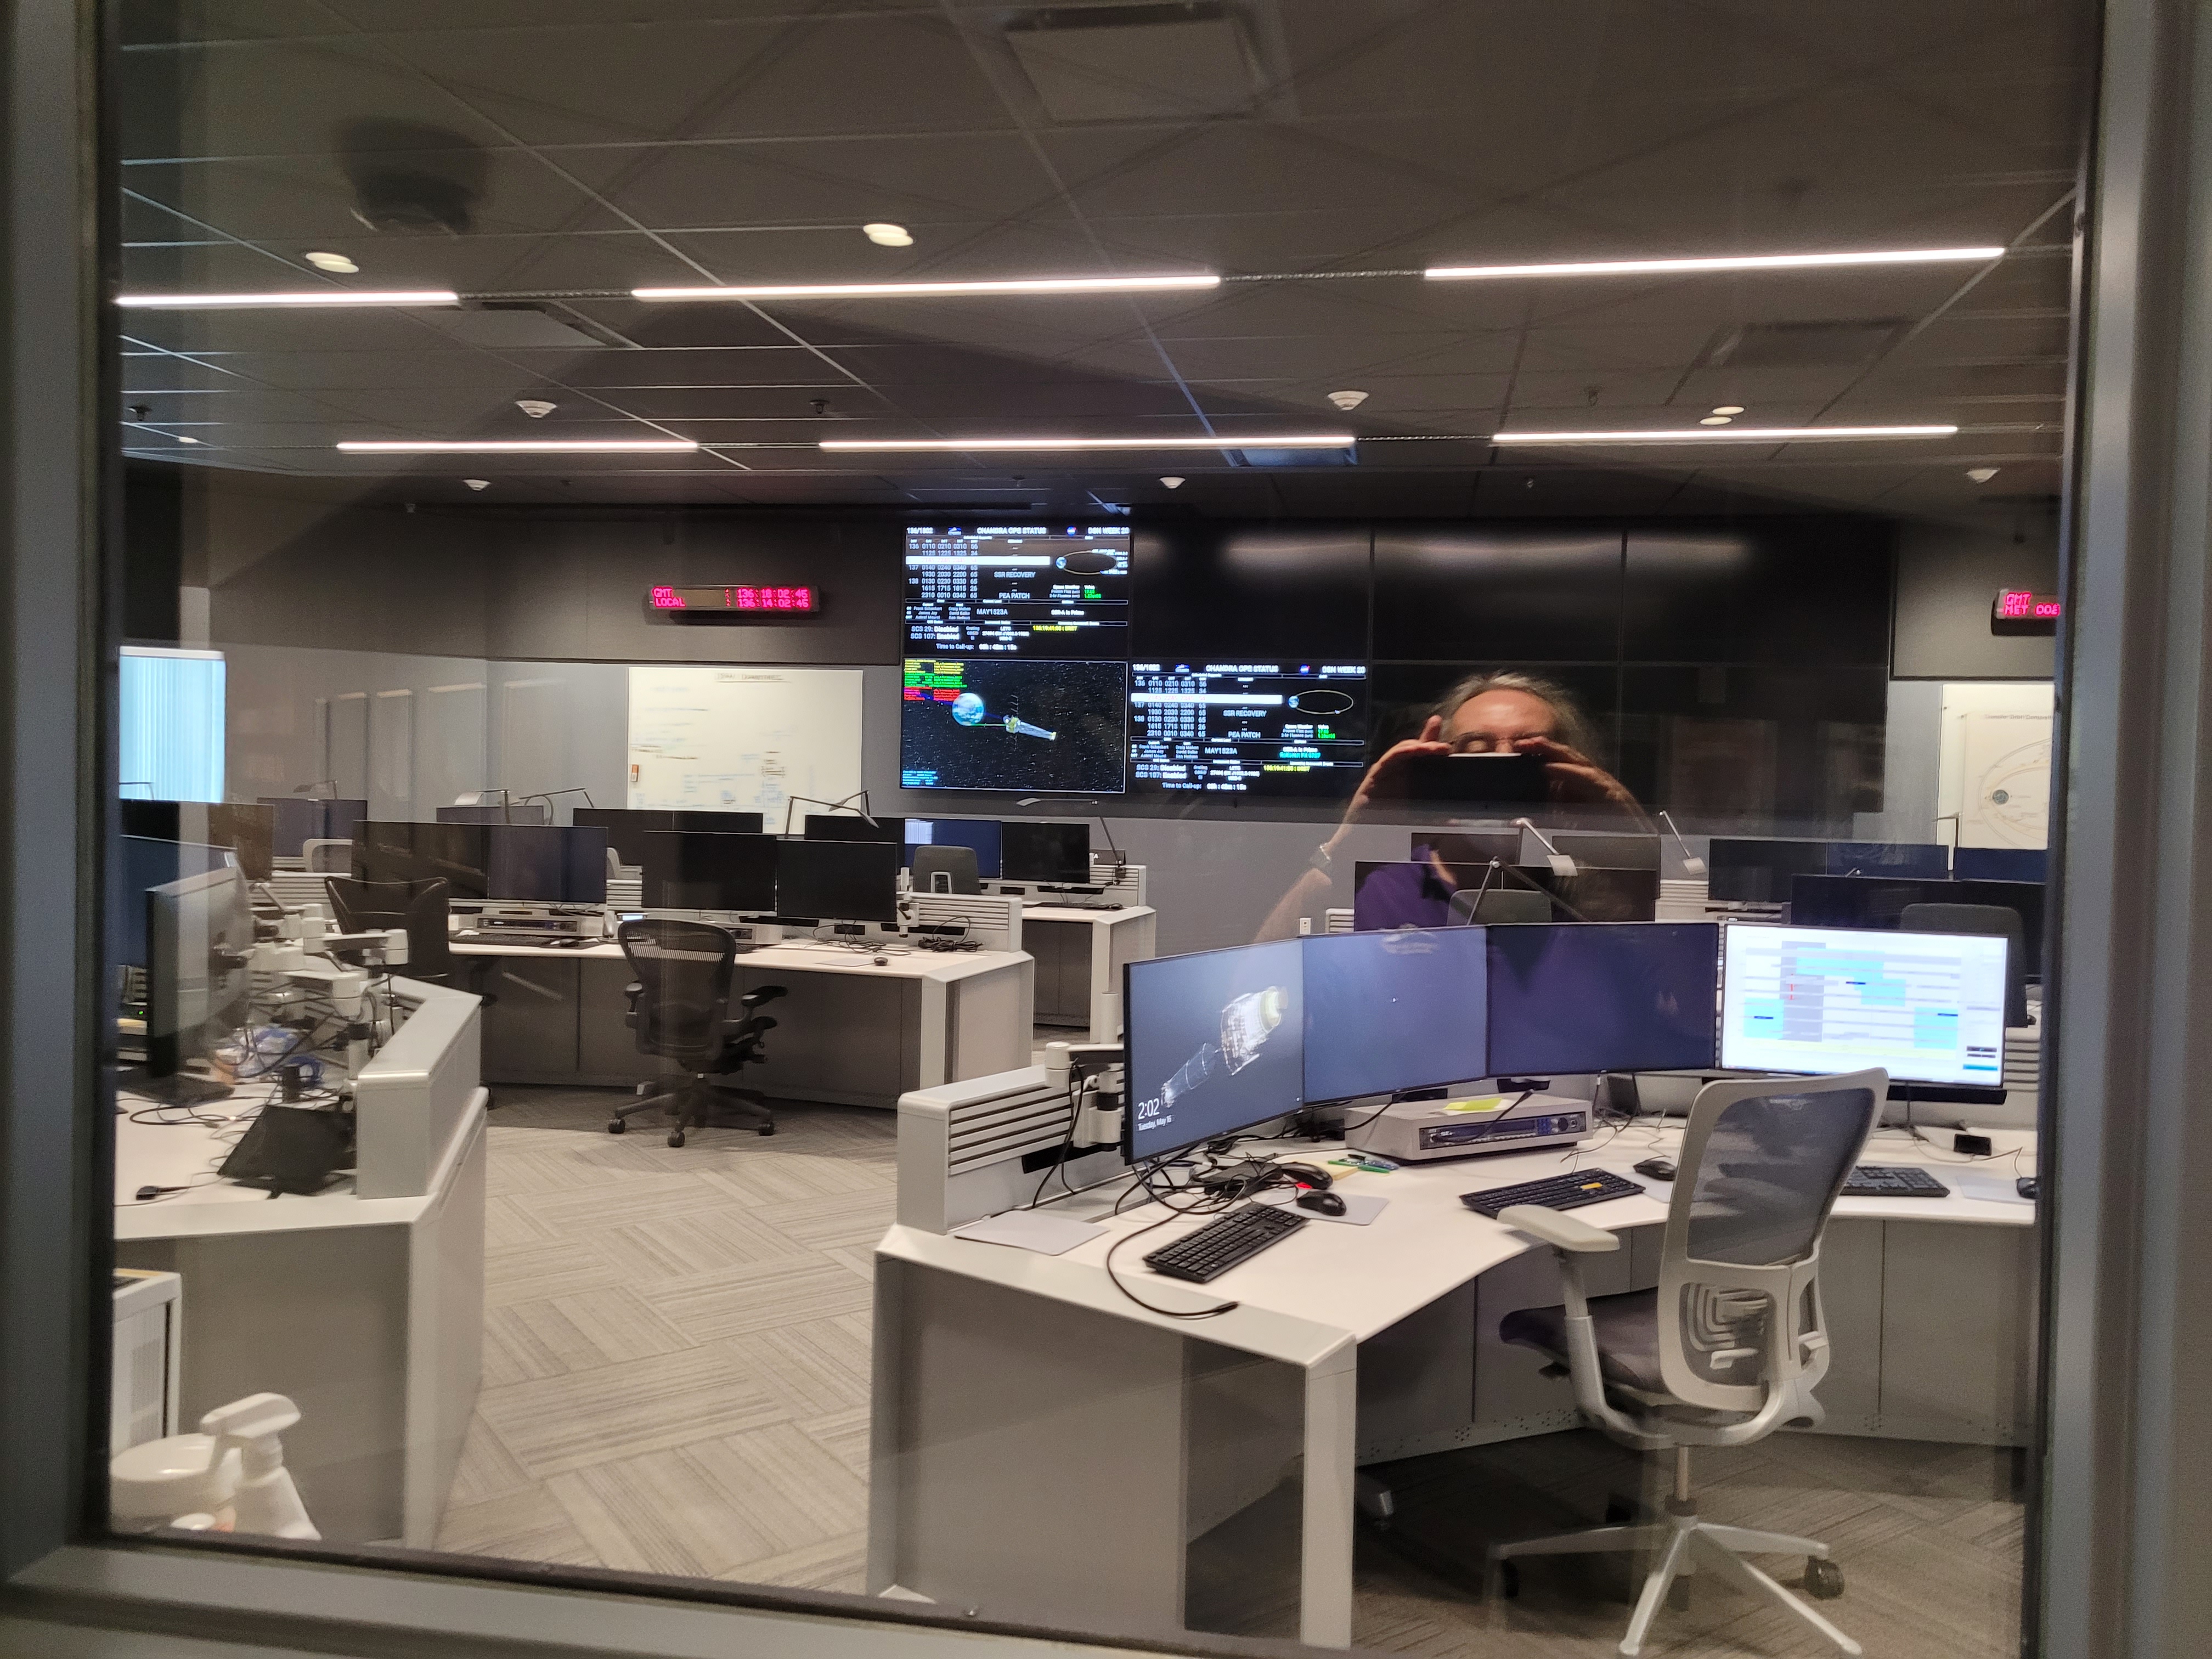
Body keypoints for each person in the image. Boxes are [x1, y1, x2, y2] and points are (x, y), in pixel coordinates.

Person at [1255, 670, 1644, 940]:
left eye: (1529, 758)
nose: (1500, 769)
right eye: (1477, 751)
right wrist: (1348, 845)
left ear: (1566, 774)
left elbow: (1673, 1001)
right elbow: (1259, 991)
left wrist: (1634, 842)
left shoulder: (1595, 893)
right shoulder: (1384, 888)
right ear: (1440, 767)